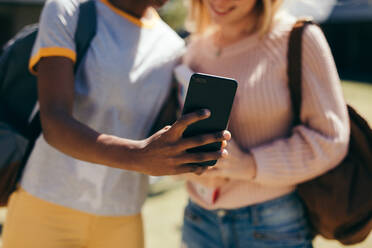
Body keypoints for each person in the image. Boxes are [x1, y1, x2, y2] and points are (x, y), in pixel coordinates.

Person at [1, 0, 231, 247]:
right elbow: (55, 122)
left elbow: (157, 134)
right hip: (45, 203)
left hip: (122, 213)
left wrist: (180, 155)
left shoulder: (173, 47)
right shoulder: (69, 10)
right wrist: (138, 155)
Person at [180, 0, 350, 247]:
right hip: (198, 219)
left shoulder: (297, 38)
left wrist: (251, 165)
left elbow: (330, 139)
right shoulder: (194, 47)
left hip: (272, 224)